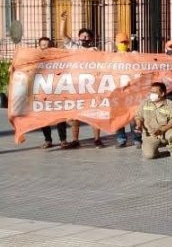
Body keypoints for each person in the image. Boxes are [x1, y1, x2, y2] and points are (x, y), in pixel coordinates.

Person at [59, 11, 104, 149]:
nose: (85, 38)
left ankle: (97, 139)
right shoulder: (74, 47)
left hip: (90, 86)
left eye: (88, 36)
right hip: (75, 85)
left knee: (94, 112)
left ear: (91, 39)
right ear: (78, 37)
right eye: (83, 36)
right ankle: (75, 139)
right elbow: (63, 35)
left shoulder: (95, 50)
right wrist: (63, 21)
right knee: (74, 114)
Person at [37, 37, 69, 149]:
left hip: (56, 92)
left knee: (60, 117)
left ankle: (63, 140)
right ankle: (48, 140)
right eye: (43, 45)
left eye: (48, 45)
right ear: (39, 47)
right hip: (42, 92)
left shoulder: (57, 59)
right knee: (43, 118)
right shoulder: (36, 60)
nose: (46, 47)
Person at [134, 82, 172, 159]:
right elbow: (138, 117)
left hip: (166, 133)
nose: (151, 94)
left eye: (154, 92)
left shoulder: (171, 104)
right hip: (150, 134)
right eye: (151, 92)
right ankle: (150, 147)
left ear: (162, 94)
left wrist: (161, 130)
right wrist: (139, 125)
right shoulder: (144, 103)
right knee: (149, 156)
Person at [114, 32, 143, 149]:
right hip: (117, 91)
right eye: (121, 42)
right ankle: (121, 139)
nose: (123, 44)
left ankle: (137, 139)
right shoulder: (112, 57)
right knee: (119, 117)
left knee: (133, 117)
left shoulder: (133, 55)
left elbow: (140, 68)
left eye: (126, 42)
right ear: (116, 43)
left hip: (132, 90)